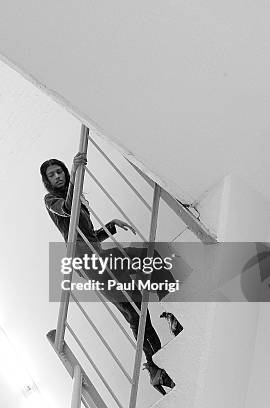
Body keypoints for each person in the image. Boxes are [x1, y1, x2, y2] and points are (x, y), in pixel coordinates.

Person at [40, 152, 176, 395]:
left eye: (60, 171)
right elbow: (68, 209)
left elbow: (88, 235)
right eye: (52, 175)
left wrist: (110, 226)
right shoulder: (51, 200)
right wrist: (75, 174)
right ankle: (170, 314)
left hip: (96, 256)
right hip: (89, 262)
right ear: (47, 181)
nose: (57, 176)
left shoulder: (76, 198)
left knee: (135, 309)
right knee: (141, 276)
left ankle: (155, 368)